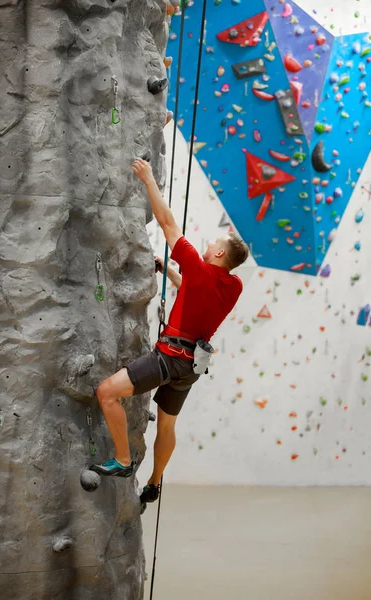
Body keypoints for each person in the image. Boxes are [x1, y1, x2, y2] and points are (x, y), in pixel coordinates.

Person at [90, 158, 249, 512]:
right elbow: (197, 294)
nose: (207, 245)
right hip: (191, 367)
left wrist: (148, 179)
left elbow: (166, 223)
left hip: (169, 358)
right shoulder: (232, 285)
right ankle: (154, 480)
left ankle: (122, 459)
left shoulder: (198, 265)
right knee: (167, 425)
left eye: (213, 243)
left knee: (106, 393)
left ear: (218, 254)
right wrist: (171, 275)